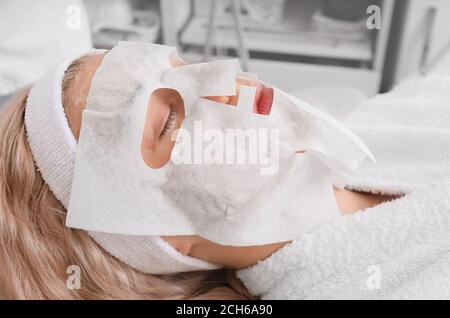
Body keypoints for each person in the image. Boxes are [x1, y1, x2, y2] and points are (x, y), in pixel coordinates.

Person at [0, 51, 395, 299]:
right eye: (167, 120)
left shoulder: (400, 120)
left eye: (181, 67)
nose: (223, 78)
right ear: (159, 240)